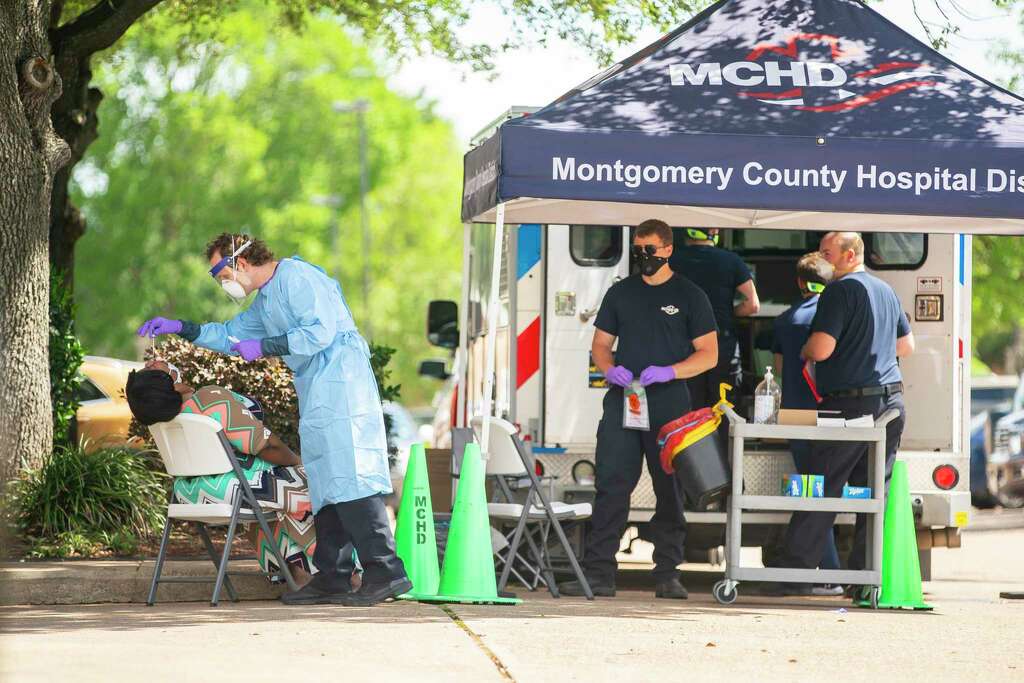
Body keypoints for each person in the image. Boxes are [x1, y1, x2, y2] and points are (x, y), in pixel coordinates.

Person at [137, 233, 411, 605]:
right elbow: (230, 335)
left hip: (342, 381)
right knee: (324, 478)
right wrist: (180, 327)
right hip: (317, 385)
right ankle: (333, 574)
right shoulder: (264, 304)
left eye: (221, 273)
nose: (221, 283)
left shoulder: (297, 277)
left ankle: (386, 571)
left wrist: (266, 346)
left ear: (242, 262)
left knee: (350, 472)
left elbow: (320, 332)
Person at [559, 219, 718, 599]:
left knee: (670, 491)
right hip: (624, 402)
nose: (643, 257)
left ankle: (667, 574)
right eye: (638, 250)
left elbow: (709, 355)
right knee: (612, 486)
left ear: (667, 250)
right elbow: (600, 345)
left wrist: (670, 371)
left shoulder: (690, 295)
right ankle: (599, 574)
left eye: (650, 250)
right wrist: (609, 368)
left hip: (671, 406)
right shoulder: (621, 294)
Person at [771, 232, 914, 596]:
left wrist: (805, 346)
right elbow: (905, 346)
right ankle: (864, 580)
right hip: (891, 403)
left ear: (849, 255)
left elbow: (821, 349)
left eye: (827, 252)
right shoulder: (886, 290)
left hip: (849, 406)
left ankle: (794, 573)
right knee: (873, 493)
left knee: (822, 486)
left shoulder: (839, 290)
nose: (822, 258)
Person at [125, 359, 327, 586]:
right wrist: (298, 462)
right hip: (232, 487)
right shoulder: (209, 400)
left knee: (270, 494)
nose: (152, 361)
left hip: (189, 491)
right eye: (151, 370)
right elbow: (266, 446)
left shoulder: (165, 420)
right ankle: (336, 570)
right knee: (313, 484)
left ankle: (295, 572)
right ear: (172, 385)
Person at [771, 252, 842, 597]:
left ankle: (825, 568)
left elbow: (779, 370)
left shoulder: (785, 320)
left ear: (799, 283)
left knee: (812, 490)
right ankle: (832, 570)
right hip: (833, 413)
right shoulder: (835, 316)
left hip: (795, 415)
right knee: (828, 490)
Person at [669, 228, 760, 413]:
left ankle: (691, 442)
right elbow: (753, 305)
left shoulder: (673, 260)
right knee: (723, 406)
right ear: (714, 232)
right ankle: (723, 442)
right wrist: (729, 312)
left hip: (683, 343)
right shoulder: (731, 260)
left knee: (688, 407)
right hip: (721, 343)